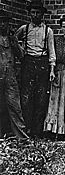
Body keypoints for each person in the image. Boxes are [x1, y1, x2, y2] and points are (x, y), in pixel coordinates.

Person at [15, 0, 55, 138]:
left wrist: (51, 70)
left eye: (38, 12)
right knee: (26, 98)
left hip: (43, 64)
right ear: (29, 13)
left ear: (42, 14)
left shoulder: (48, 31)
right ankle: (26, 130)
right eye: (33, 12)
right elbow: (14, 40)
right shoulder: (24, 28)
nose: (35, 15)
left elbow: (52, 51)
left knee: (41, 98)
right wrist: (21, 52)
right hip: (28, 63)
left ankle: (37, 132)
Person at [0, 10, 28, 139]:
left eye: (5, 22)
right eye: (0, 22)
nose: (2, 25)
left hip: (10, 76)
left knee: (15, 106)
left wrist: (14, 42)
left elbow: (21, 55)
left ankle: (21, 136)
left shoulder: (11, 38)